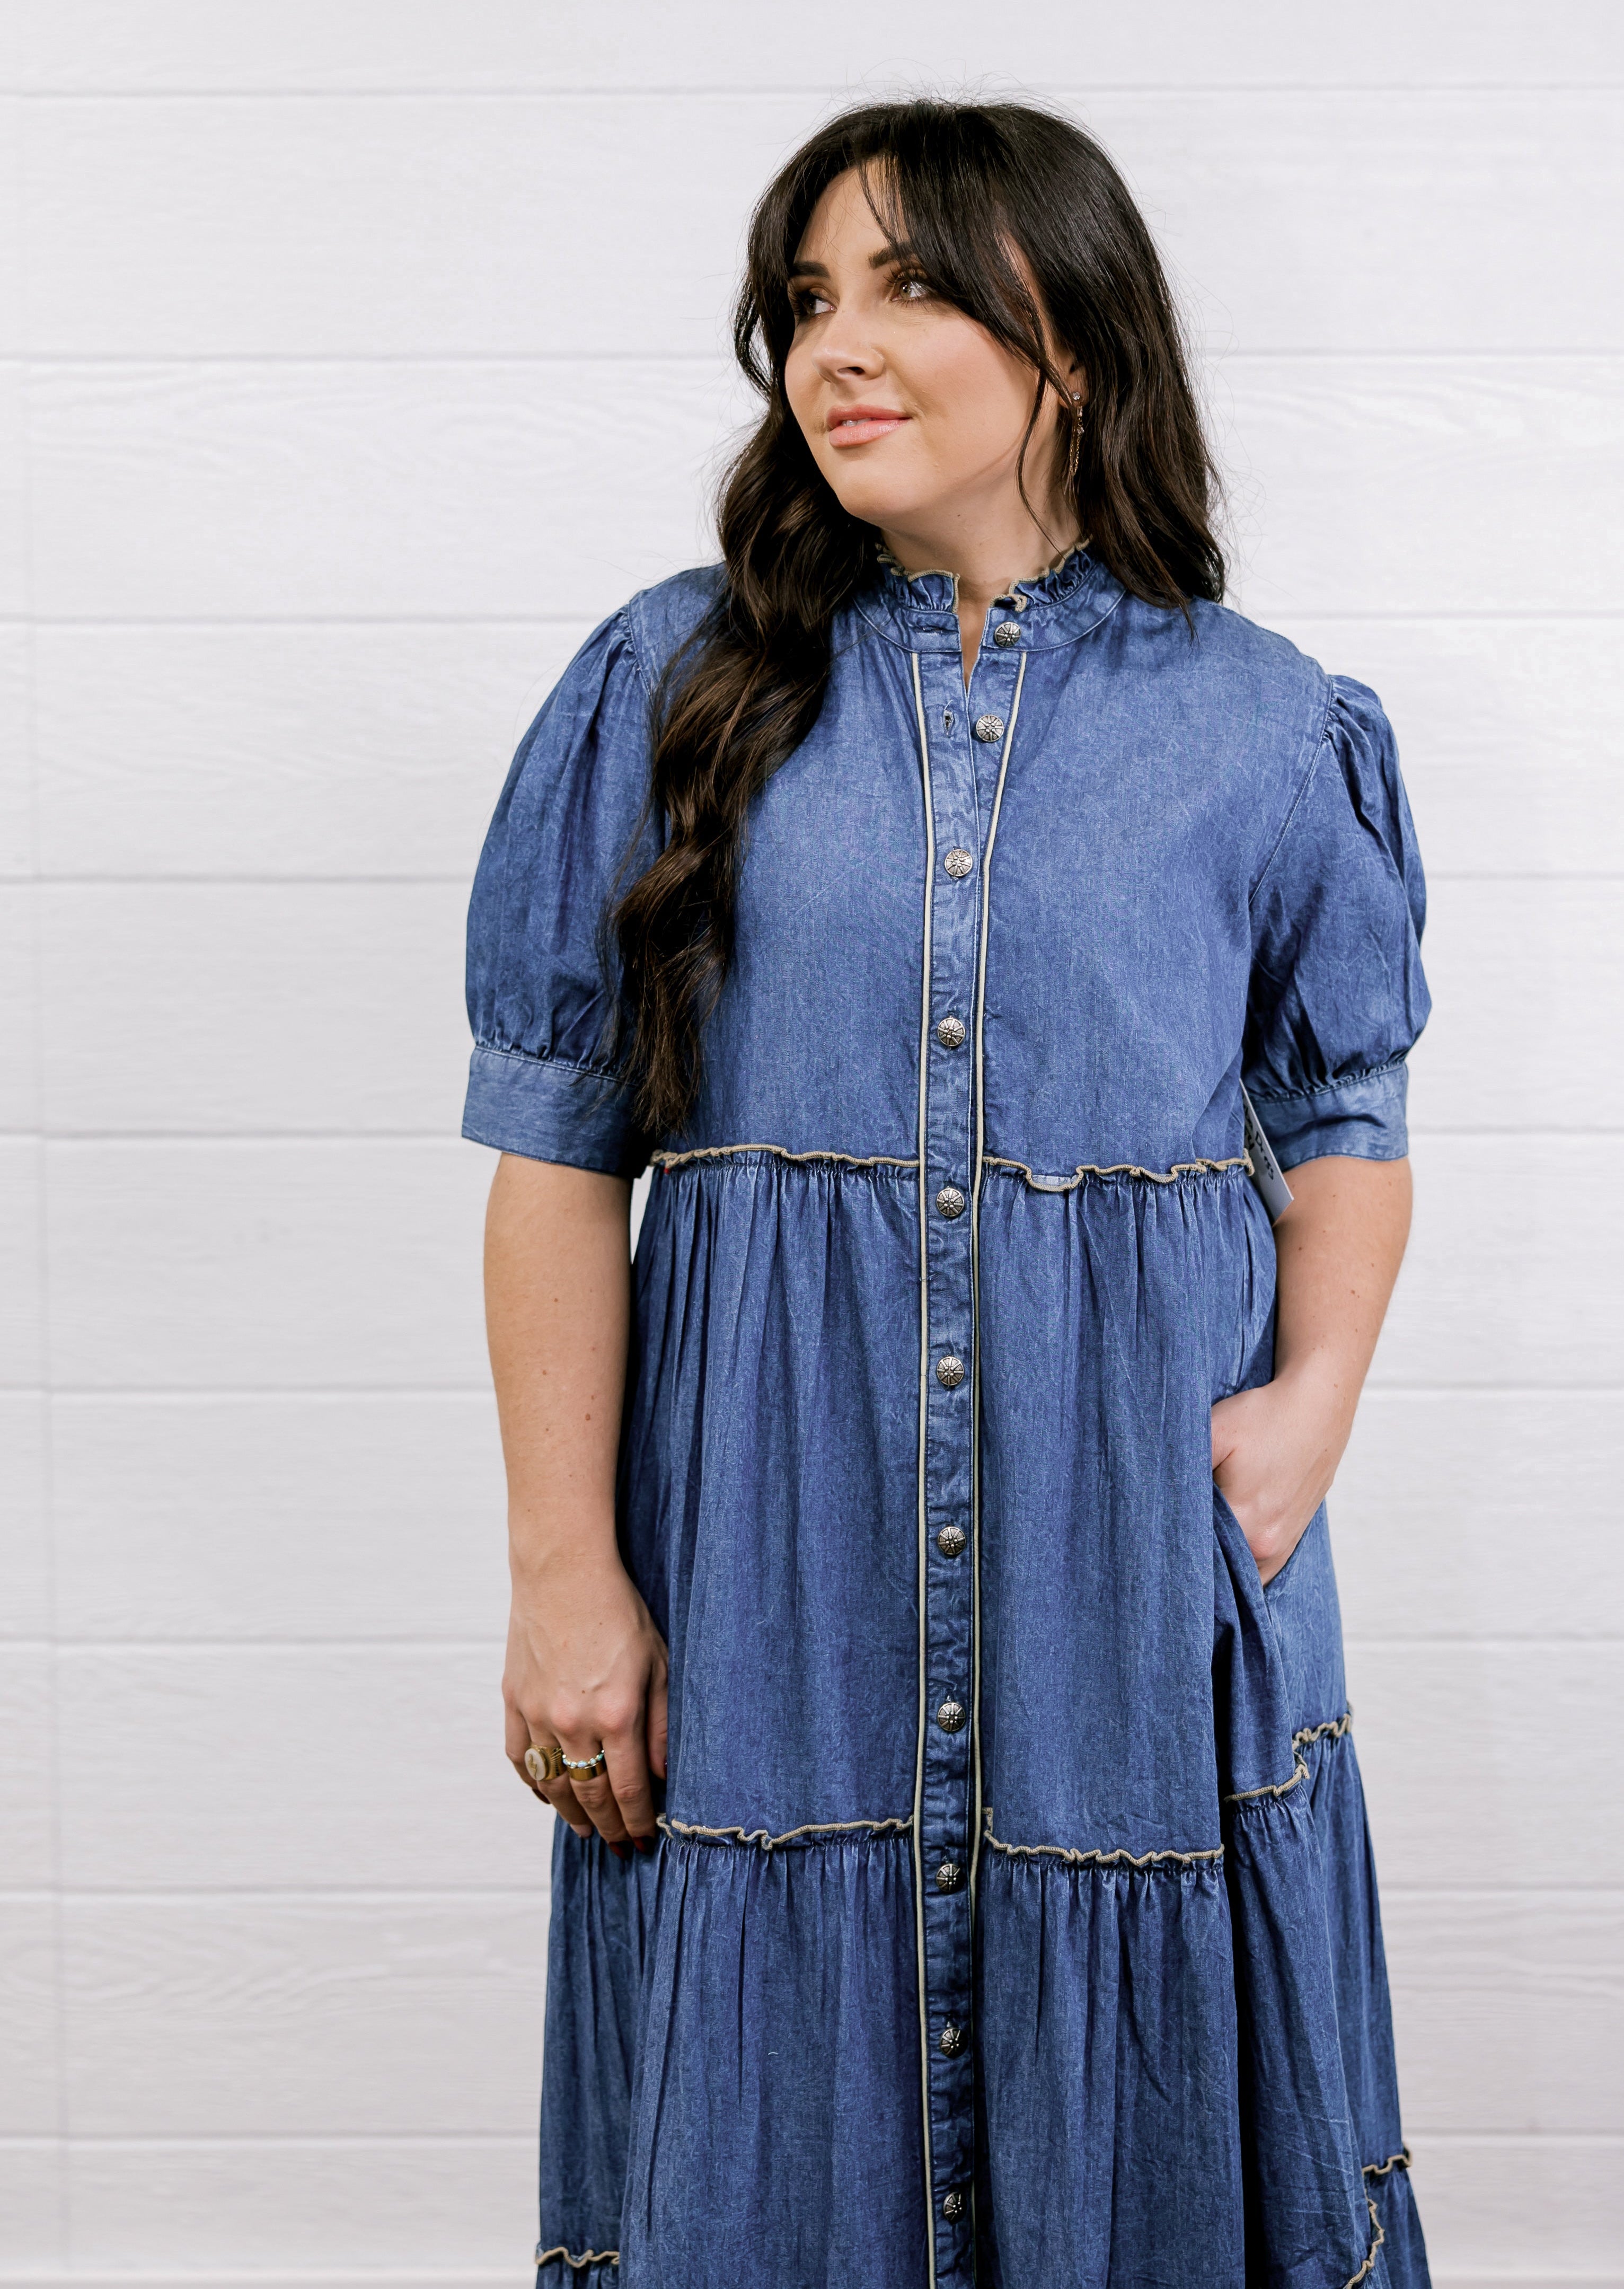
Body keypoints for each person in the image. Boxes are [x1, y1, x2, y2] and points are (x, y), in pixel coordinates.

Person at [463, 97, 1430, 2289]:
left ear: (1070, 332)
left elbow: (1348, 1126)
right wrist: (564, 1577)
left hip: (1139, 1583)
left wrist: (1304, 1420)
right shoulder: (671, 686)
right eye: (808, 299)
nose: (838, 345)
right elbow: (555, 1157)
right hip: (764, 1574)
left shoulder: (1268, 729)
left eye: (907, 285)